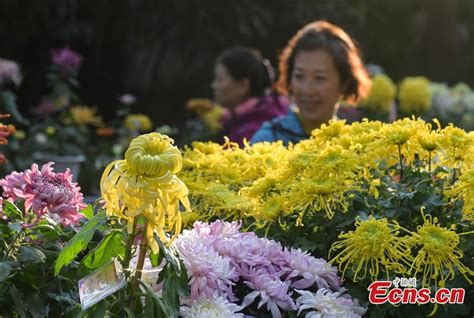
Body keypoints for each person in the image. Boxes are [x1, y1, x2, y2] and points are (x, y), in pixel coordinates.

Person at [251, 20, 371, 145]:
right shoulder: (269, 139)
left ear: (344, 82)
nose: (307, 90)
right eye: (299, 76)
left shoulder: (355, 145)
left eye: (320, 78)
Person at [211, 47, 289, 146]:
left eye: (220, 79)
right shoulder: (239, 119)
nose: (214, 86)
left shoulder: (253, 133)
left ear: (243, 85)